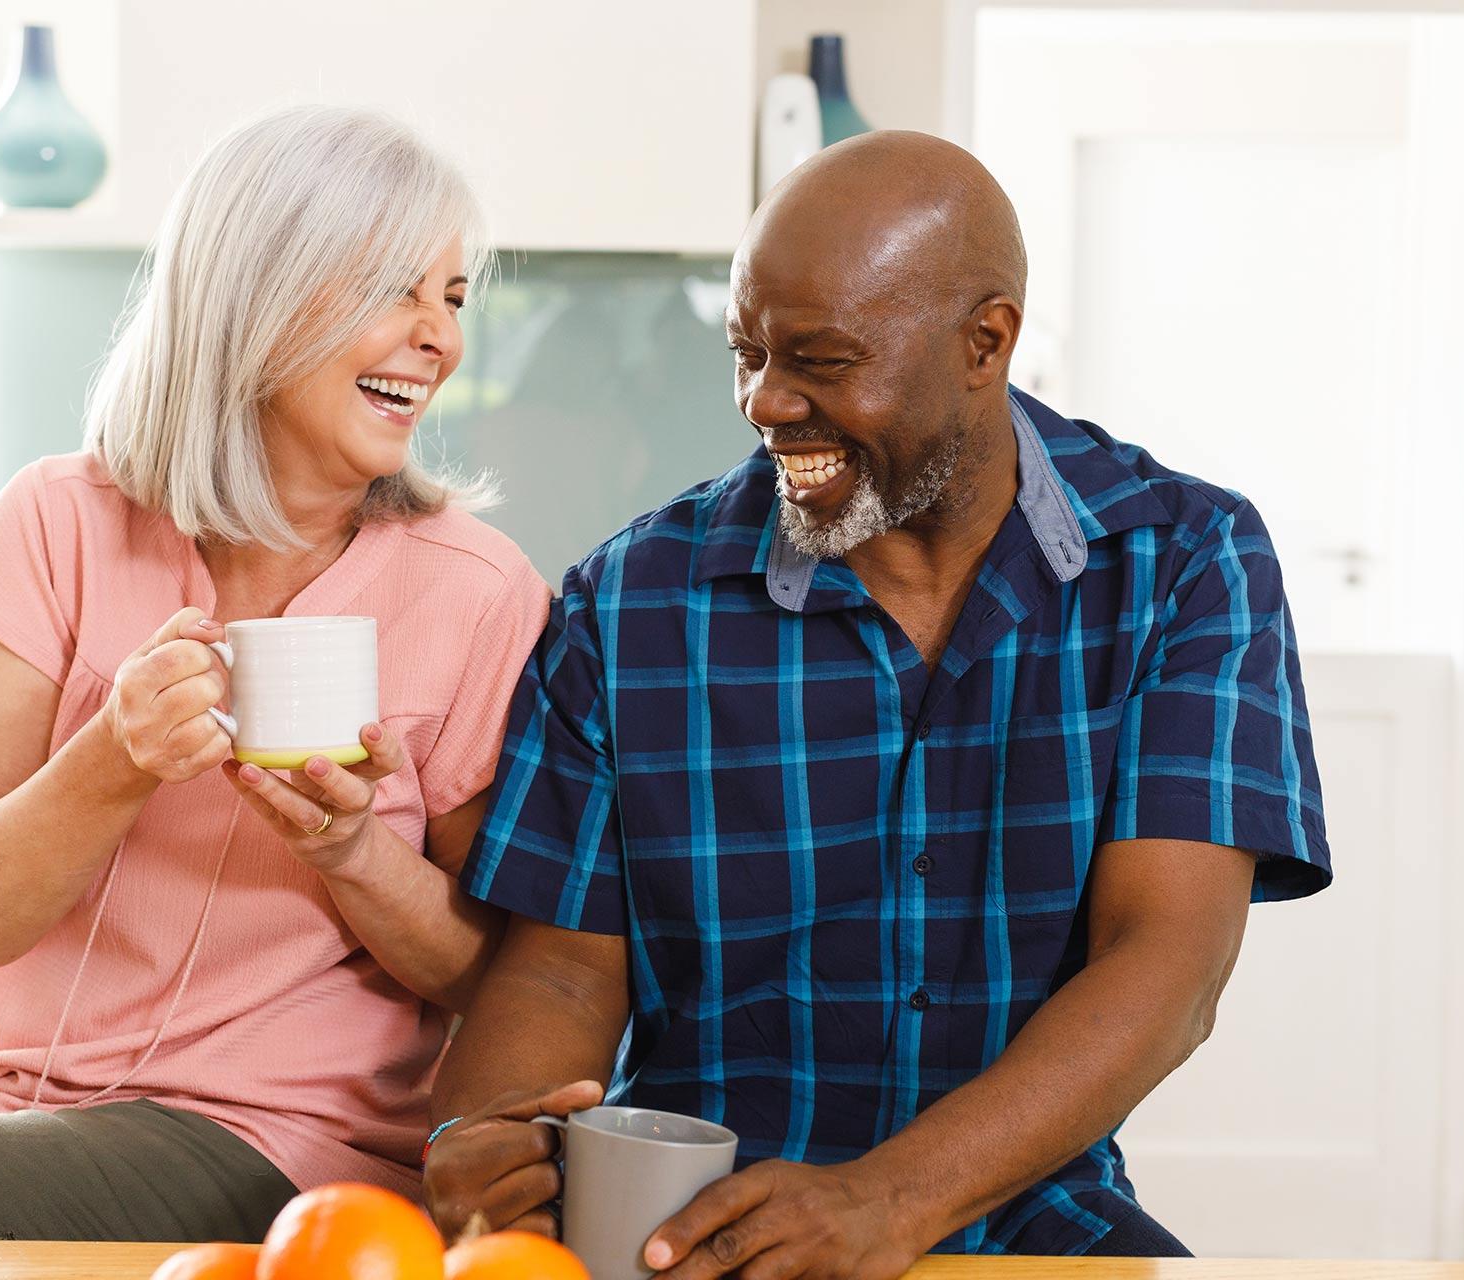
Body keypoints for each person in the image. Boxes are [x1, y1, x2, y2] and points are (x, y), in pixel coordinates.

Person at [422, 131, 1330, 1266]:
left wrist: (887, 1202)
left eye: (823, 359)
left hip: (1028, 1209)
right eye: (745, 350)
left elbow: (1167, 963)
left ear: (984, 342)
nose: (765, 400)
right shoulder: (632, 601)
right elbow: (560, 964)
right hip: (690, 1222)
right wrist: (484, 1133)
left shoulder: (1184, 560)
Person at [0, 106, 550, 1242]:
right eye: (390, 290)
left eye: (450, 299)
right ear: (255, 295)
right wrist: (113, 758)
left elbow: (494, 978)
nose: (438, 337)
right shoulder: (57, 526)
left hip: (282, 1142)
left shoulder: (475, 589)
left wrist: (353, 851)